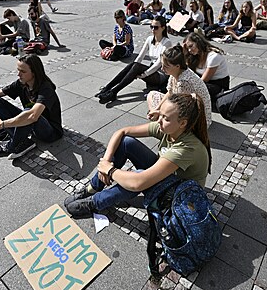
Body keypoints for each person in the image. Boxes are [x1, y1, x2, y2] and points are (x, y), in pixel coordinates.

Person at [63, 92, 211, 219]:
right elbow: (122, 132)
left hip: (181, 195)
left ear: (182, 123)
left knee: (138, 176)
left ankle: (94, 203)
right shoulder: (169, 128)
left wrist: (110, 171)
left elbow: (138, 183)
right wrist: (106, 162)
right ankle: (92, 188)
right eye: (160, 114)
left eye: (165, 117)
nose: (158, 120)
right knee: (127, 142)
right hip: (169, 176)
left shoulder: (187, 148)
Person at [0, 54, 63, 159]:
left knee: (29, 112)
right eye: (18, 70)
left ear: (34, 73)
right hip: (29, 123)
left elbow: (33, 116)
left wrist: (2, 124)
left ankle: (10, 146)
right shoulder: (21, 83)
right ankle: (22, 142)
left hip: (49, 132)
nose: (18, 74)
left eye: (23, 72)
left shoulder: (46, 88)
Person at [96, 15, 172, 104]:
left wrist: (144, 74)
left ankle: (113, 92)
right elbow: (140, 56)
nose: (152, 30)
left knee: (136, 67)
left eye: (156, 27)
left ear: (163, 28)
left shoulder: (167, 43)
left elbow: (158, 63)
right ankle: (108, 88)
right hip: (152, 71)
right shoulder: (150, 39)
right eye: (151, 26)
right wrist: (134, 69)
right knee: (133, 64)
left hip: (160, 74)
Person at [147, 45, 212, 128]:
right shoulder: (176, 72)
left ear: (177, 66)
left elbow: (181, 107)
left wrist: (161, 112)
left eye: (166, 66)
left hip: (197, 118)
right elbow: (170, 92)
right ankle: (158, 116)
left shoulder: (184, 82)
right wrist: (157, 108)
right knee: (151, 95)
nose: (162, 69)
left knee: (170, 112)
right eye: (162, 65)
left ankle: (160, 120)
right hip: (182, 105)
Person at [183, 32, 229, 100]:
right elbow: (185, 71)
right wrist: (184, 52)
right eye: (187, 48)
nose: (189, 50)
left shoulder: (213, 57)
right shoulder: (194, 56)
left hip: (217, 84)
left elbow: (203, 81)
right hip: (202, 81)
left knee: (193, 88)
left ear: (198, 43)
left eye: (191, 46)